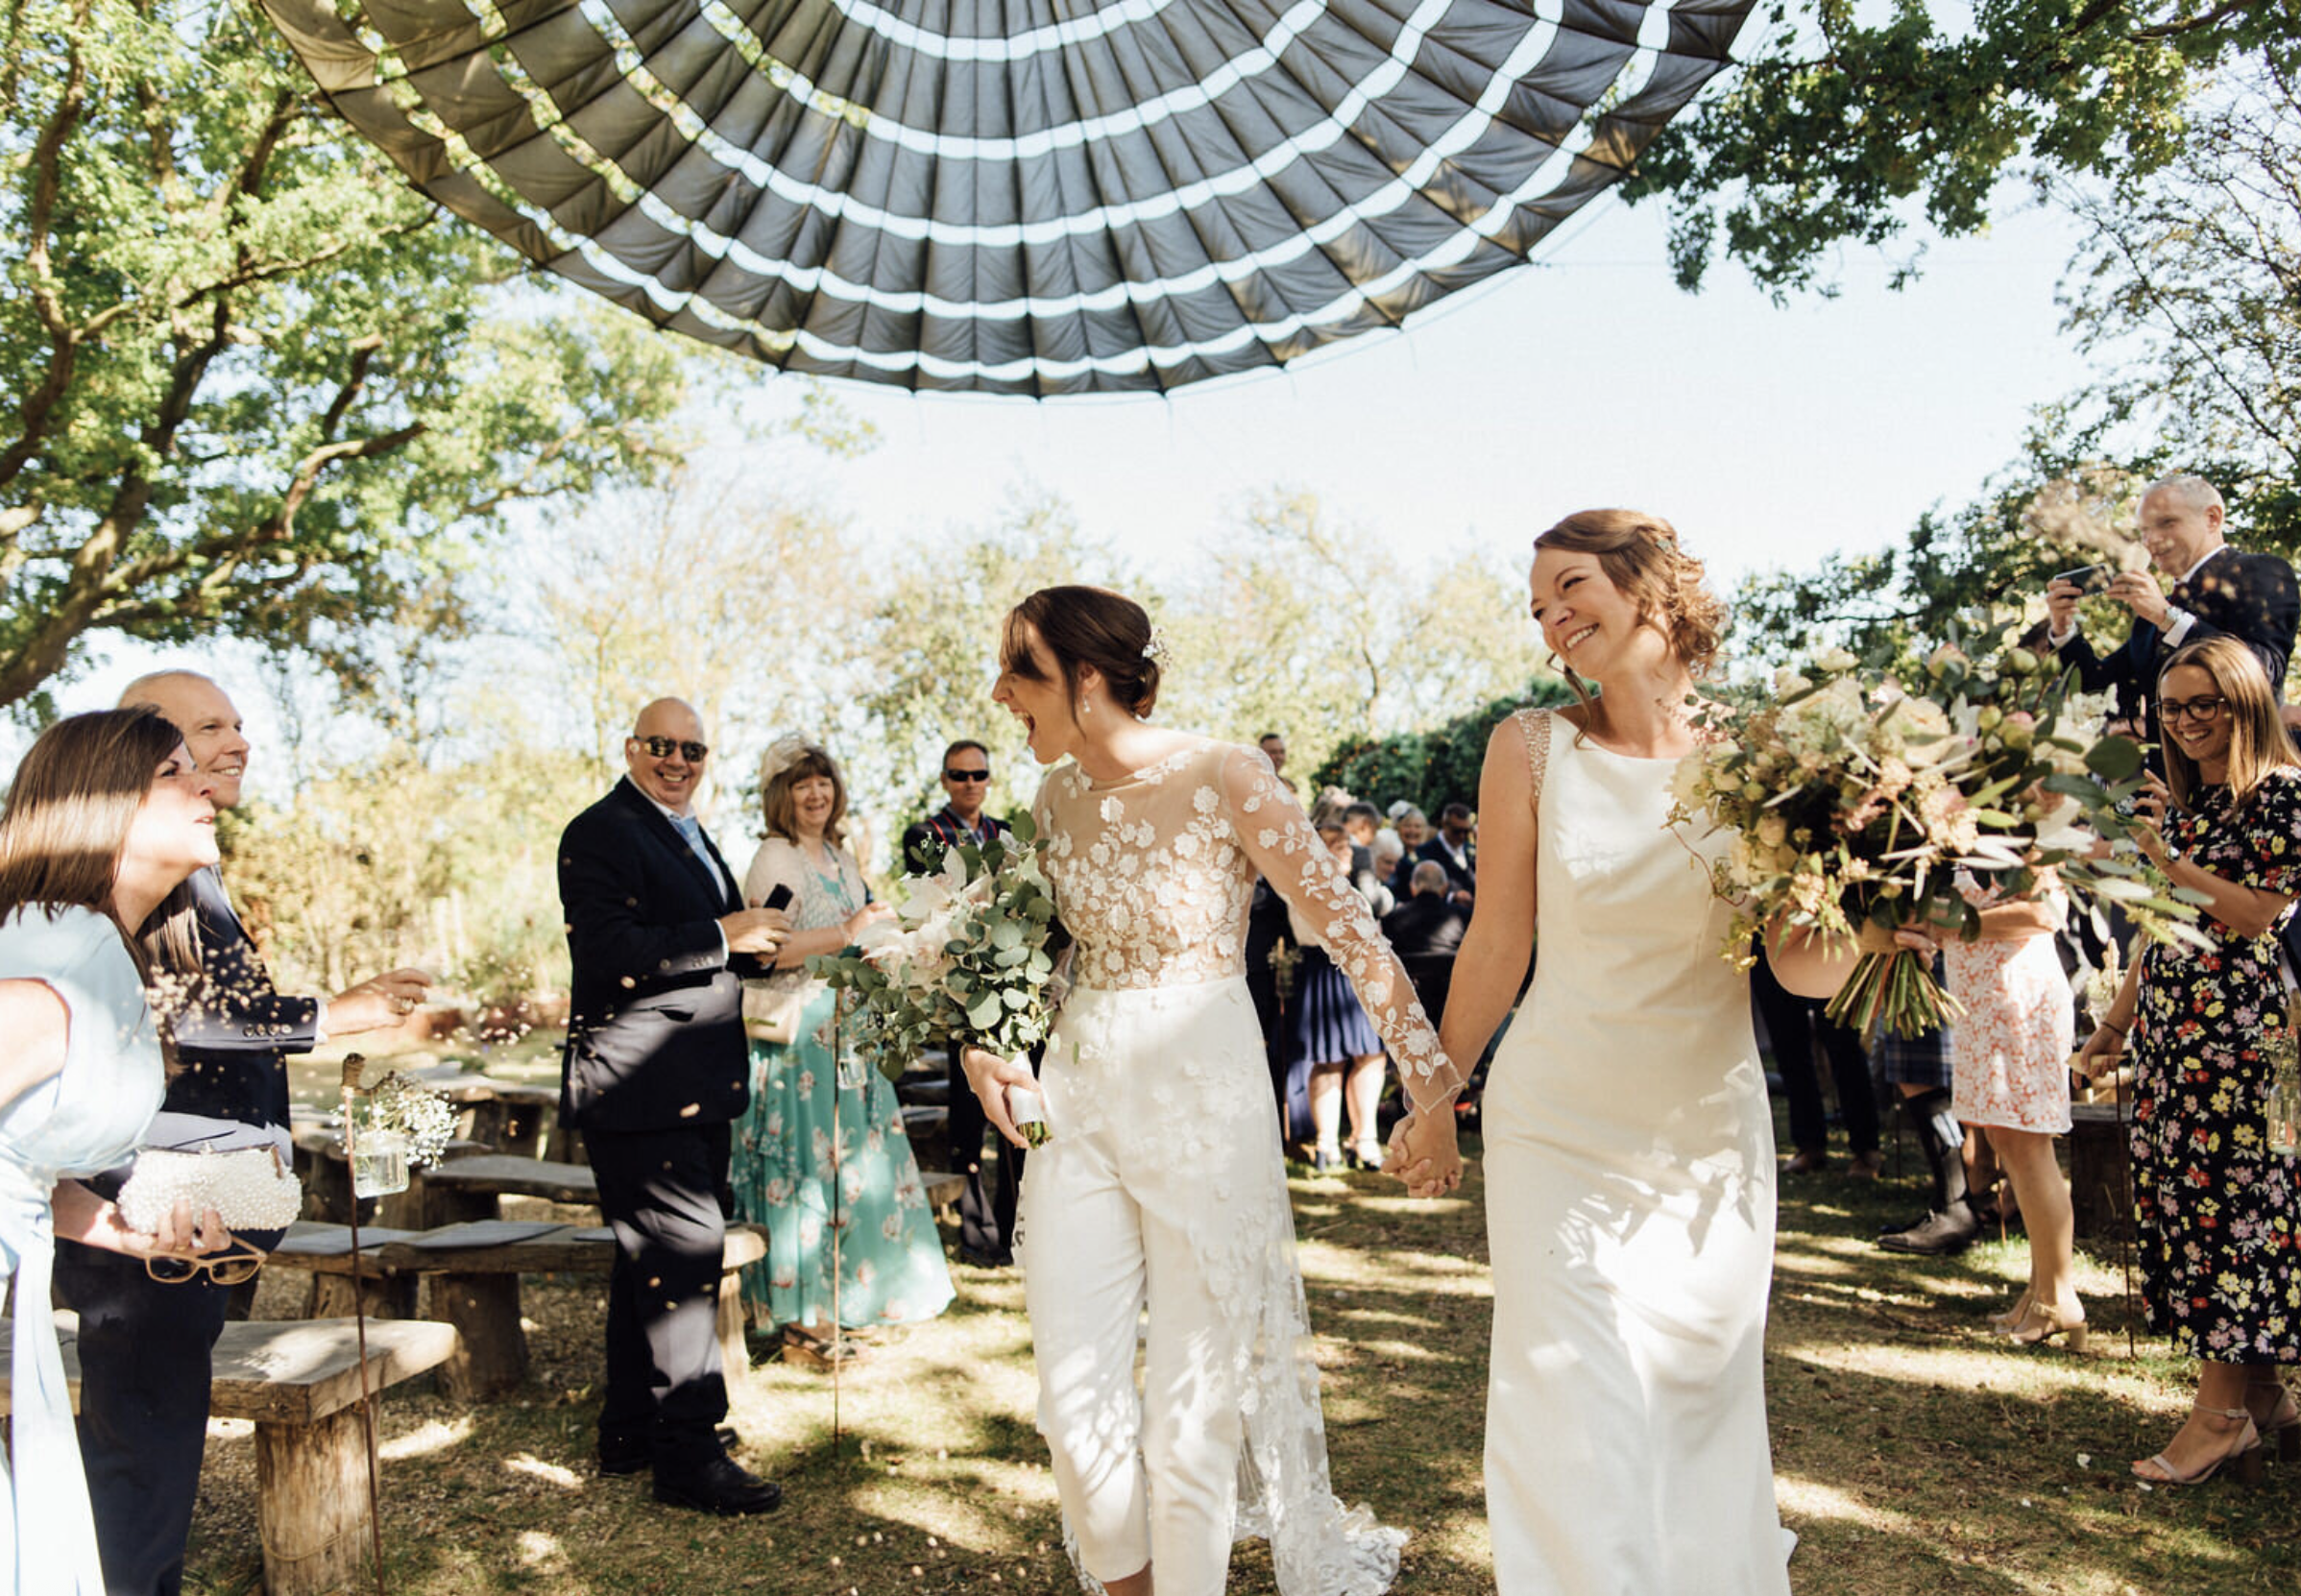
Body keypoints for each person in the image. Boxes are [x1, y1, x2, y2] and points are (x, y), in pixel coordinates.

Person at [960, 585, 1464, 1596]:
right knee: (1071, 1394)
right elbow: (1033, 955)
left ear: (1088, 679)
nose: (1001, 692)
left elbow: (1349, 933)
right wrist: (989, 1046)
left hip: (1204, 1090)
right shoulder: (1054, 798)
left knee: (1191, 1410)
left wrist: (1431, 1093)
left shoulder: (1226, 774)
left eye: (1021, 670)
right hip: (1081, 1093)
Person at [1393, 510, 1858, 1594]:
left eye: (1569, 588)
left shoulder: (1761, 757)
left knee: (1698, 1400)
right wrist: (1432, 1094)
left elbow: (1799, 969)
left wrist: (1881, 912)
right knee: (1574, 1399)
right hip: (1556, 1119)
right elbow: (1497, 943)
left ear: (1647, 588)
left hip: (1705, 1131)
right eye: (1538, 605)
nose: (1551, 618)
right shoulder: (1529, 745)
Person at [55, 670, 430, 1596]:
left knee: (162, 1432)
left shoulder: (193, 865)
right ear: (143, 756)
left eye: (237, 725)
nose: (236, 743)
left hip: (203, 1203)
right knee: (140, 1444)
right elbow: (186, 1016)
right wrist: (330, 1017)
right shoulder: (112, 888)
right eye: (207, 729)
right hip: (136, 1208)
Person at [0, 709, 243, 1593]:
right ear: (99, 802)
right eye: (174, 773)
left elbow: (11, 1163)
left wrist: (125, 1230)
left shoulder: (101, 946)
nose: (207, 787)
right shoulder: (54, 956)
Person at [2075, 636, 2301, 1485]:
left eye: (2203, 703)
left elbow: (2252, 918)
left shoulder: (2282, 797)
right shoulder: (2193, 803)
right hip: (2179, 1035)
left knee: (2237, 1214)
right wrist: (2115, 1024)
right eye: (2172, 706)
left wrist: (2167, 856)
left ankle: (2217, 1420)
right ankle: (2266, 1397)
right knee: (2199, 1206)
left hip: (2249, 1042)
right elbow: (2163, 924)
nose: (2186, 720)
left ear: (2244, 703)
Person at [557, 698, 790, 1515]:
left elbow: (715, 951)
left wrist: (757, 942)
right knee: (684, 1259)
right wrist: (726, 933)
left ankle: (629, 1431)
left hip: (694, 1089)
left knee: (648, 1262)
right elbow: (613, 954)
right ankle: (688, 1457)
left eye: (693, 747)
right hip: (637, 1089)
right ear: (631, 748)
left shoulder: (688, 832)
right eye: (663, 745)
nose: (679, 759)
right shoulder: (602, 830)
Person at [734, 736, 954, 1340]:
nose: (815, 793)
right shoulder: (776, 859)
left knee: (857, 1168)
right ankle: (807, 1312)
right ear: (782, 794)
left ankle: (858, 1293)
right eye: (802, 783)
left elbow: (856, 936)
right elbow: (764, 955)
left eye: (823, 781)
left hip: (850, 1035)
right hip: (800, 1040)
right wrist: (847, 929)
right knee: (811, 1170)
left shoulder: (840, 855)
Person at [2043, 474, 2298, 747]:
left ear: (2212, 518)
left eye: (2167, 523)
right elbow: (2099, 689)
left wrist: (2168, 618)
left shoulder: (2260, 572)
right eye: (2143, 531)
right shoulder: (2150, 617)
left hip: (2242, 772)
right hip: (2164, 783)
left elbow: (2263, 672)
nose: (2150, 540)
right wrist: (2063, 628)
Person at [1938, 867, 2080, 1344]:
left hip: (2019, 1002)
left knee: (2028, 1146)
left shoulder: (2024, 824)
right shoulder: (1959, 833)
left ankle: (2059, 1298)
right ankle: (2039, 1288)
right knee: (2004, 1140)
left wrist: (1951, 921)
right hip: (1979, 1004)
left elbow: (2044, 911)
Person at [898, 738, 1023, 1266]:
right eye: (959, 774)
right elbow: (939, 897)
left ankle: (1016, 1225)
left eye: (978, 774)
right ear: (946, 779)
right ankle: (976, 1235)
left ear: (988, 778)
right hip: (958, 987)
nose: (970, 783)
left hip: (1013, 984)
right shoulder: (924, 834)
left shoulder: (1006, 834)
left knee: (1016, 1106)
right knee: (968, 1114)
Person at [1287, 818, 1394, 1172]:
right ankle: (1328, 1143)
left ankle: (1362, 1139)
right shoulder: (1309, 886)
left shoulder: (1347, 885)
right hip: (1326, 971)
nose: (1347, 853)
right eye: (1338, 847)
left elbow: (1385, 905)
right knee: (1329, 1059)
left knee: (1370, 1056)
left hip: (1353, 974)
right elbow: (1363, 925)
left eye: (1347, 846)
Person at [1750, 944, 1880, 1177]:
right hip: (1766, 942)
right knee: (1788, 1045)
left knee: (1842, 1040)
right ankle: (1809, 1144)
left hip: (1826, 935)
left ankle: (1866, 1147)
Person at [1382, 859, 1466, 1025]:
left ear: (1412, 887)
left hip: (1407, 1008)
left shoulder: (1391, 920)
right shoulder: (1463, 917)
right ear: (1444, 888)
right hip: (1453, 1007)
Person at [1418, 801, 1477, 907]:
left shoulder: (1471, 850)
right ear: (1444, 825)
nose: (1462, 836)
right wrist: (1452, 897)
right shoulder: (1426, 852)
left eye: (1466, 831)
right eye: (1457, 831)